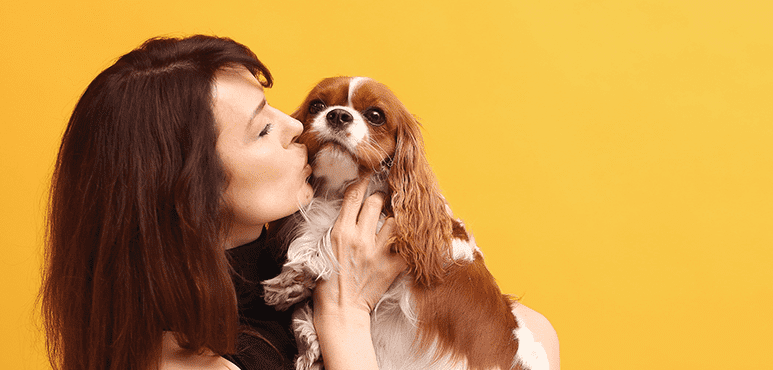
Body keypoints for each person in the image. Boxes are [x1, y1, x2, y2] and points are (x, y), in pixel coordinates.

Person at [41, 35, 558, 370]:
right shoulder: (191, 360)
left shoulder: (274, 263)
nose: (297, 126)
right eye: (263, 128)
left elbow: (530, 333)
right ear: (191, 190)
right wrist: (347, 314)